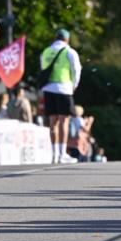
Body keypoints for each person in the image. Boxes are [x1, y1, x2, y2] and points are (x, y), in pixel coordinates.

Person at [40, 28, 81, 164]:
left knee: (53, 122)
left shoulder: (46, 51)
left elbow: (43, 68)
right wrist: (74, 85)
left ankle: (54, 154)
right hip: (64, 87)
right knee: (64, 121)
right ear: (67, 39)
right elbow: (76, 69)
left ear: (55, 37)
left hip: (48, 88)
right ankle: (63, 153)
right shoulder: (69, 51)